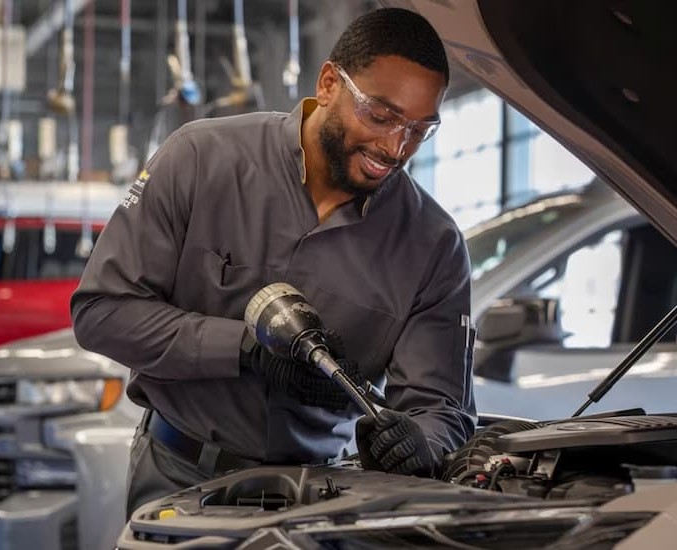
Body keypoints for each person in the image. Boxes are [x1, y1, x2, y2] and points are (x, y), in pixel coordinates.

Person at [71, 7, 476, 516]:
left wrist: (420, 440)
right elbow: (102, 312)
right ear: (329, 82)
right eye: (381, 115)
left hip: (317, 501)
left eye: (420, 130)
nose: (395, 147)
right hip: (177, 478)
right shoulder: (200, 159)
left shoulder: (432, 245)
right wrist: (242, 348)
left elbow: (442, 409)